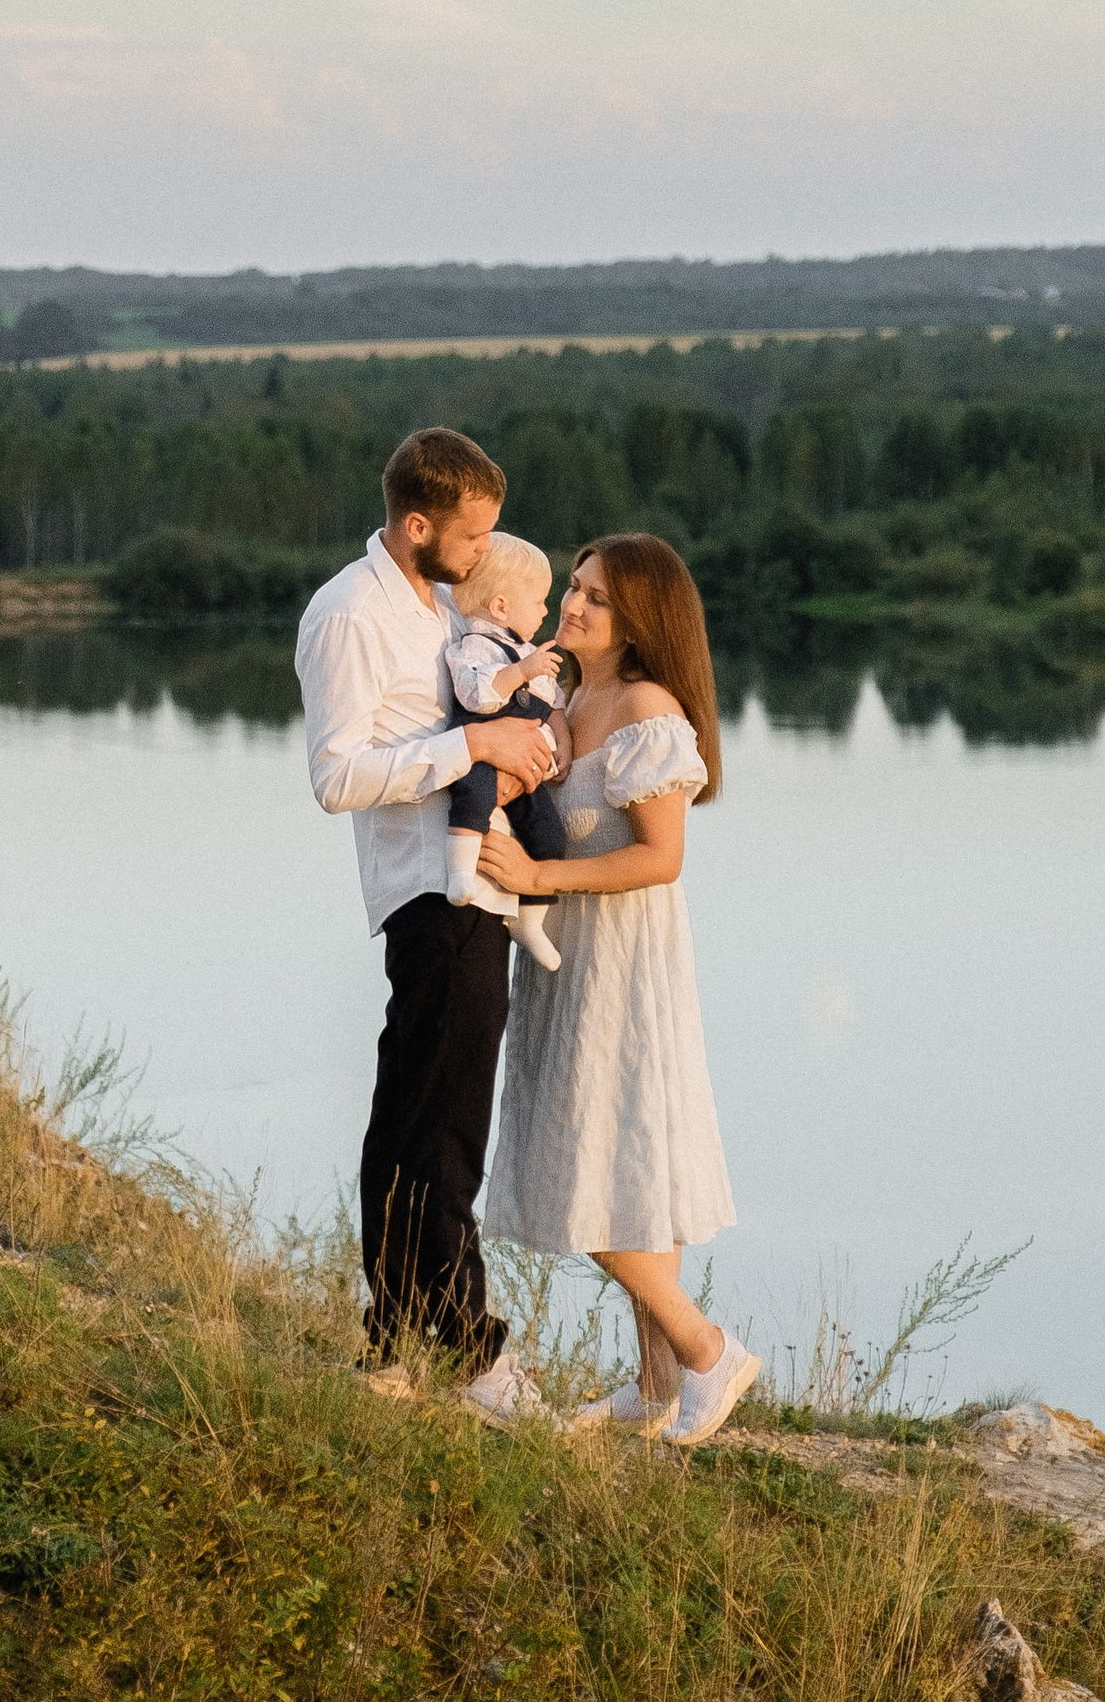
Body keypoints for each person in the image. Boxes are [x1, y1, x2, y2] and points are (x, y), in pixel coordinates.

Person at [294, 428, 558, 1426]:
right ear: (417, 525)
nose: (484, 551)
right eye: (474, 533)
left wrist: (514, 750)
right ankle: (471, 1352)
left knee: (414, 1117)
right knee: (445, 1125)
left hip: (470, 888)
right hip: (432, 894)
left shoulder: (439, 609)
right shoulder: (349, 614)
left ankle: (397, 1339)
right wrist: (472, 750)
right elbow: (335, 779)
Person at [475, 530, 761, 1450]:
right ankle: (655, 1385)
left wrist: (536, 876)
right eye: (576, 586)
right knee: (627, 1167)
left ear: (639, 619)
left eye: (597, 597)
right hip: (566, 958)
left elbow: (661, 858)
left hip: (622, 964)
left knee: (591, 1171)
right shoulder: (569, 694)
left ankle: (708, 1350)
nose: (574, 604)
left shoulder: (646, 709)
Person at [442, 530, 570, 968]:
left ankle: (530, 921)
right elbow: (477, 696)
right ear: (500, 606)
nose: (547, 611)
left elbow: (552, 702)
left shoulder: (528, 651)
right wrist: (522, 672)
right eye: (538, 601)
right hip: (481, 752)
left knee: (549, 833)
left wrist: (562, 738)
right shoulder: (473, 647)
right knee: (475, 796)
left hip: (525, 765)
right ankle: (459, 873)